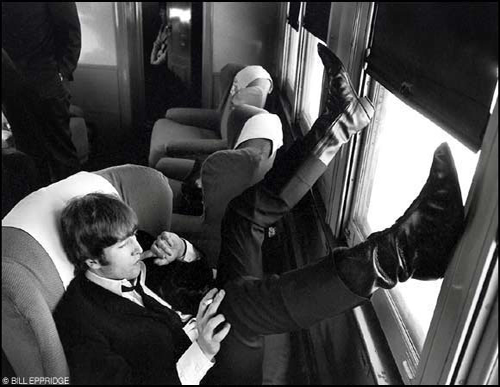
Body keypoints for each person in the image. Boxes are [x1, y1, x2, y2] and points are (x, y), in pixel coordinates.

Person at [54, 43, 465, 385]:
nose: (136, 245)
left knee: (241, 215)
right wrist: (200, 352)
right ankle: (402, 253)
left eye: (133, 236)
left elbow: (195, 277)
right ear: (91, 261)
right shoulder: (81, 319)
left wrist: (184, 253)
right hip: (202, 373)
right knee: (237, 303)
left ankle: (339, 123)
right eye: (124, 245)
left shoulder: (132, 250)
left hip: (203, 319)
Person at [2, 2, 81, 184]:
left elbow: (71, 30)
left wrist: (63, 72)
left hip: (47, 81)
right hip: (11, 88)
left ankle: (74, 207)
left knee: (62, 155)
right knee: (29, 155)